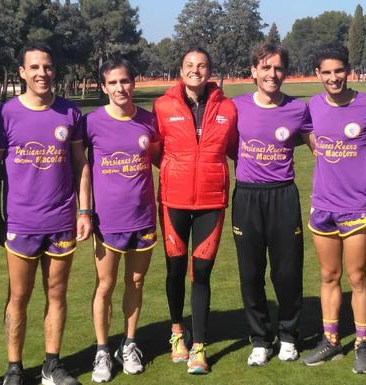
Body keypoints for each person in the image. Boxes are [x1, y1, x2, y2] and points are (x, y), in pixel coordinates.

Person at [0, 42, 92, 385]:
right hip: (21, 222)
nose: (41, 73)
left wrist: (84, 210)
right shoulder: (5, 114)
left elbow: (81, 165)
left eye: (47, 67)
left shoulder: (70, 113)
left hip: (62, 221)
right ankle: (14, 369)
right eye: (34, 67)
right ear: (22, 72)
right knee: (18, 296)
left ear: (54, 70)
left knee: (56, 293)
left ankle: (52, 365)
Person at [153, 47, 238, 374]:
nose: (195, 70)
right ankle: (177, 333)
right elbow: (155, 151)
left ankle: (199, 346)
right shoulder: (163, 106)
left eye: (201, 66)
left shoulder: (228, 109)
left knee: (201, 273)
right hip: (173, 200)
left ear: (209, 71)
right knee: (174, 270)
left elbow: (235, 149)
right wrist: (177, 170)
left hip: (211, 202)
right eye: (190, 65)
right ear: (181, 70)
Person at [231, 43, 313, 366]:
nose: (272, 74)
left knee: (287, 271)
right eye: (265, 68)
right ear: (253, 71)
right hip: (247, 196)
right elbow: (222, 146)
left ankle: (290, 335)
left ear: (285, 72)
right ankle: (261, 339)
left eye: (278, 68)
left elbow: (320, 147)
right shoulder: (236, 106)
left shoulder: (298, 109)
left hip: (283, 196)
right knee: (251, 272)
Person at [300, 43, 366, 374]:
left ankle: (362, 343)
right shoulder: (312, 106)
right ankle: (331, 340)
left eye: (339, 71)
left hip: (356, 206)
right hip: (323, 206)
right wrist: (313, 144)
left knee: (357, 275)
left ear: (349, 70)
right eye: (326, 72)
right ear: (318, 74)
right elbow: (302, 134)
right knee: (329, 275)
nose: (334, 78)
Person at [84, 58, 157, 382]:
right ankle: (102, 350)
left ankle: (129, 345)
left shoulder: (148, 121)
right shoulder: (92, 123)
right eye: (112, 83)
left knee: (136, 283)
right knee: (105, 285)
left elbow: (160, 159)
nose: (120, 88)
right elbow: (82, 170)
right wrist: (84, 211)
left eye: (124, 81)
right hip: (107, 221)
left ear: (133, 82)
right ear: (103, 87)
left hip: (143, 218)